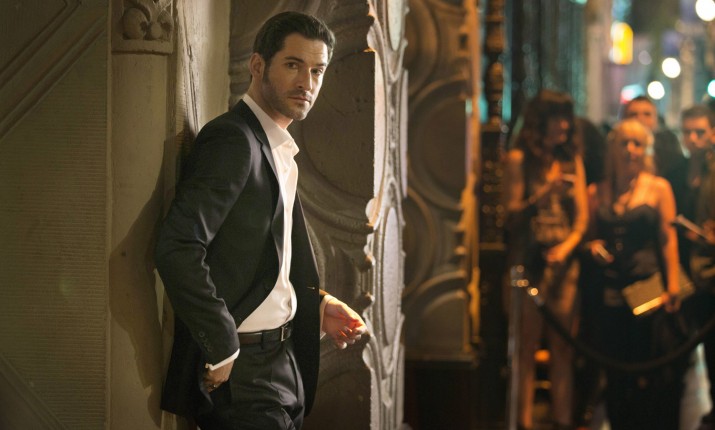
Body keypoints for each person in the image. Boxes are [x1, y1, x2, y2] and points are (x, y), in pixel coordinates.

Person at [154, 12, 367, 430]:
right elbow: (178, 245)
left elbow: (254, 257)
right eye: (293, 65)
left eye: (317, 70)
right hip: (244, 374)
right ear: (257, 66)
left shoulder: (277, 148)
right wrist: (222, 343)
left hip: (284, 362)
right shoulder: (234, 141)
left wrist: (318, 305)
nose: (307, 82)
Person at [584, 118, 685, 430]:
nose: (630, 150)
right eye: (624, 143)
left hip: (648, 286)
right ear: (612, 149)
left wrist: (672, 284)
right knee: (616, 367)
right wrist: (593, 246)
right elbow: (589, 235)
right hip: (611, 288)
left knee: (649, 365)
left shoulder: (659, 188)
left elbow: (668, 238)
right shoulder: (597, 191)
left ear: (646, 150)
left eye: (637, 144)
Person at [504, 89, 589, 430]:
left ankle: (562, 420)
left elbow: (582, 219)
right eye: (557, 118)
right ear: (541, 122)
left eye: (567, 118)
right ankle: (523, 421)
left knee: (562, 348)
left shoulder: (571, 162)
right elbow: (510, 216)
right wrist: (544, 194)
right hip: (528, 263)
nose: (565, 125)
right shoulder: (518, 160)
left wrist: (565, 249)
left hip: (563, 266)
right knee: (525, 348)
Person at [677, 105, 715, 430]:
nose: (693, 139)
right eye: (687, 132)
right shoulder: (680, 170)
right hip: (689, 274)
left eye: (699, 132)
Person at [622, 96, 688, 220]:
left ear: (656, 119)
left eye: (647, 114)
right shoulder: (617, 154)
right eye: (633, 114)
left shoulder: (670, 154)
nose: (640, 119)